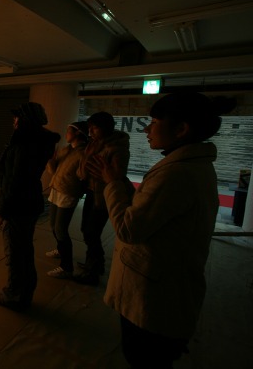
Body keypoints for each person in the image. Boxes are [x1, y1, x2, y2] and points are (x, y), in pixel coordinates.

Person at [88, 92, 236, 368]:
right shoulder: (188, 166)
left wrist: (112, 183)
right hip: (165, 289)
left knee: (143, 357)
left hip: (155, 297)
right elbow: (149, 208)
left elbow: (128, 229)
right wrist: (120, 182)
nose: (147, 129)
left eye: (154, 122)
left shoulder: (176, 174)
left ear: (181, 129)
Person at [0, 102, 61, 311]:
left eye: (17, 118)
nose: (14, 121)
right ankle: (24, 293)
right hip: (30, 202)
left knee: (15, 253)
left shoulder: (25, 143)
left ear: (25, 120)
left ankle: (15, 295)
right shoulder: (38, 141)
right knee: (24, 250)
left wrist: (3, 210)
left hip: (18, 205)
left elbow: (16, 180)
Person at [75, 111, 130, 286]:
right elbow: (83, 170)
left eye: (95, 128)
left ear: (106, 128)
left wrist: (102, 174)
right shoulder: (94, 144)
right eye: (89, 127)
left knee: (92, 232)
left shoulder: (117, 147)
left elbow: (116, 176)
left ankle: (93, 271)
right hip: (92, 192)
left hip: (104, 196)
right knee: (86, 229)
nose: (90, 131)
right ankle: (94, 263)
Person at [44, 121, 89, 279]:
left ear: (77, 133)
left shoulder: (83, 153)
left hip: (68, 193)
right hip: (56, 190)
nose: (66, 133)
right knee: (53, 226)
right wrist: (50, 159)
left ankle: (66, 267)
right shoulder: (66, 149)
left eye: (69, 131)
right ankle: (60, 249)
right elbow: (53, 170)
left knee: (61, 229)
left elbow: (83, 176)